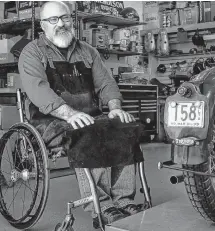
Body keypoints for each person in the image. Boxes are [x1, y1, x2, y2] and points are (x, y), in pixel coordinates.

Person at [18, 1, 142, 228]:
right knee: (88, 131)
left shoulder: (88, 51)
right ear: (42, 25)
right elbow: (37, 89)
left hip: (89, 115)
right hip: (50, 120)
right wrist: (69, 114)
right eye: (53, 20)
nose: (61, 24)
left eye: (65, 18)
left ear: (72, 20)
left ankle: (123, 200)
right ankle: (101, 206)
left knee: (125, 127)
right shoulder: (32, 52)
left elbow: (106, 84)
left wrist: (115, 107)